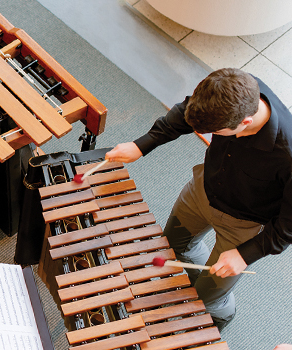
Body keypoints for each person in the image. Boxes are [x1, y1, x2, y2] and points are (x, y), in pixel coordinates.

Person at [106, 68, 292, 331]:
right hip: (201, 192)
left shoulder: (288, 154)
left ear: (245, 123)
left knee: (205, 299)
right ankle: (196, 272)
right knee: (172, 247)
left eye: (215, 132)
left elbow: (288, 225)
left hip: (243, 227)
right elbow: (186, 112)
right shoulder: (230, 89)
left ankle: (221, 313)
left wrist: (245, 254)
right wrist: (142, 145)